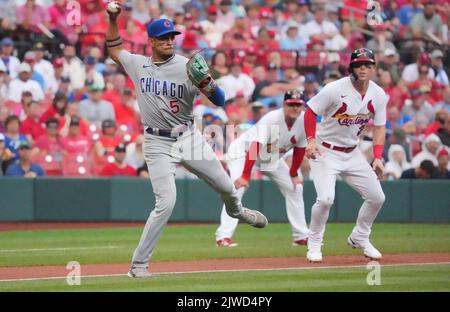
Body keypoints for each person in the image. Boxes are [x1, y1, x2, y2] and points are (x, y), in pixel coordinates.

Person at [105, 3, 267, 278]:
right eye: (164, 38)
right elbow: (114, 48)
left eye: (172, 37)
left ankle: (238, 212)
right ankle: (139, 265)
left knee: (227, 187)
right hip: (157, 142)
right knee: (166, 202)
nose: (170, 41)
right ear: (152, 41)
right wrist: (112, 18)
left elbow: (219, 100)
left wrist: (207, 81)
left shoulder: (186, 66)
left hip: (188, 136)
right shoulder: (138, 63)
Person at [304, 48, 388, 262]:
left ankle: (360, 236)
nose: (363, 68)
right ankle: (314, 243)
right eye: (359, 64)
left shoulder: (378, 94)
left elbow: (379, 127)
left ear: (373, 68)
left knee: (377, 197)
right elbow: (310, 111)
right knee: (325, 199)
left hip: (352, 152)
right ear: (351, 67)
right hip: (325, 150)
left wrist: (377, 156)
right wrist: (311, 141)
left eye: (368, 65)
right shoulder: (334, 88)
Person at [216, 89, 310, 247]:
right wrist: (245, 175)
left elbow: (300, 148)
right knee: (236, 189)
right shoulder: (272, 119)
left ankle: (301, 236)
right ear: (284, 104)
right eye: (291, 104)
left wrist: (293, 173)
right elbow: (254, 147)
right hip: (243, 152)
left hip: (269, 157)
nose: (295, 107)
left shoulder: (304, 121)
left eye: (298, 104)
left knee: (295, 187)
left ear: (302, 106)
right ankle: (223, 237)